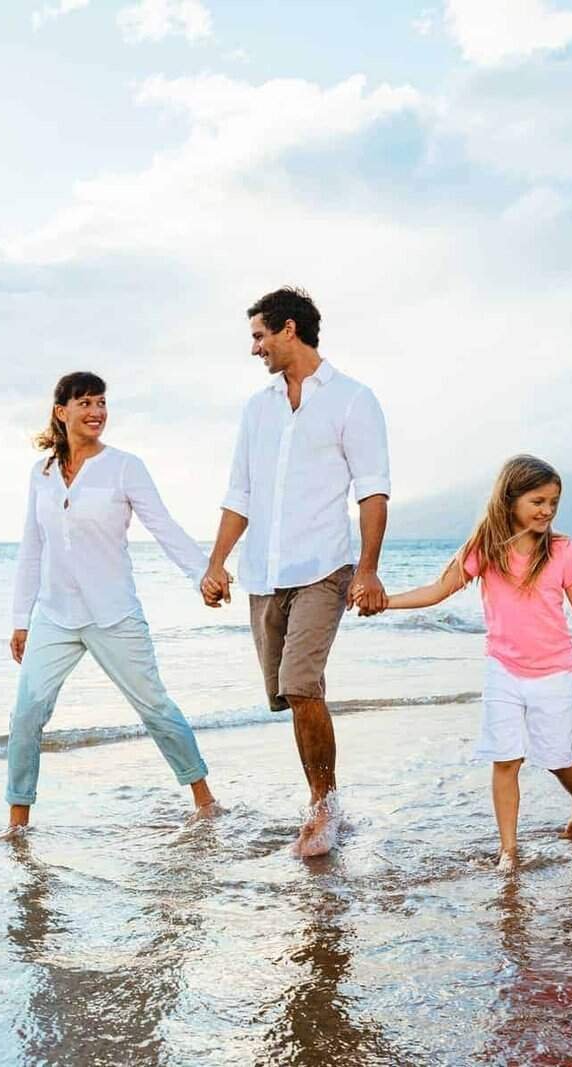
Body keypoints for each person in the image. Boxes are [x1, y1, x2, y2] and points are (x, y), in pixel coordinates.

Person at [200, 287, 391, 857]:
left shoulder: (353, 400)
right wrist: (217, 563)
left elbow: (373, 490)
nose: (255, 348)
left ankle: (323, 806)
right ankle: (320, 793)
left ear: (288, 330)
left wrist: (369, 569)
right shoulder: (256, 409)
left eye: (259, 336)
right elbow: (241, 493)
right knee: (284, 695)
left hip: (323, 567)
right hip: (264, 573)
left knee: (301, 683)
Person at [384, 455, 572, 870]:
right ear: (509, 499)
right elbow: (438, 590)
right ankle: (509, 851)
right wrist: (386, 602)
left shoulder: (561, 550)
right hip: (503, 668)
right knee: (505, 759)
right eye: (538, 501)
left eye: (553, 503)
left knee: (557, 757)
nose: (547, 510)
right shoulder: (484, 548)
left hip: (554, 670)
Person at [5, 371, 217, 832]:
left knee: (155, 708)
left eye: (101, 402)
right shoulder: (41, 473)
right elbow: (31, 547)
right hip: (55, 617)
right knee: (26, 715)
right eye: (85, 403)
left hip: (113, 613)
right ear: (62, 412)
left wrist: (203, 573)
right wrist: (21, 619)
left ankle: (204, 799)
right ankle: (18, 822)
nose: (96, 411)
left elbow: (163, 525)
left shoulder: (124, 466)